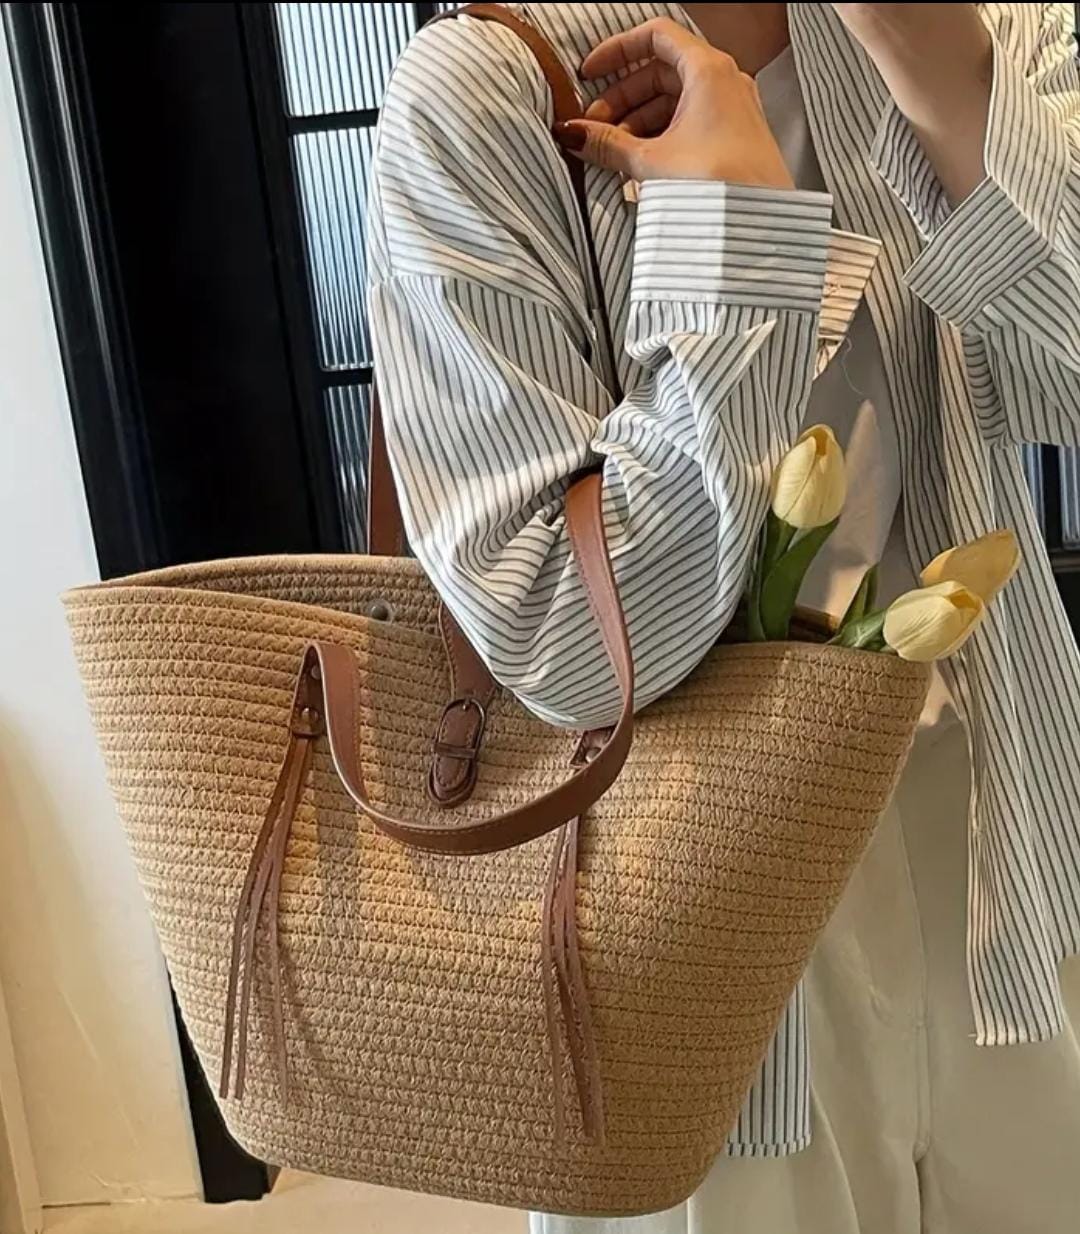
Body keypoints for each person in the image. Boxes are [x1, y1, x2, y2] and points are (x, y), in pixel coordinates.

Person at [367, 4, 1080, 1230]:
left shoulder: (999, 18)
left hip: (1006, 830)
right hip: (687, 904)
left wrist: (945, 70)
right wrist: (736, 237)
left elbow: (1061, 382)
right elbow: (573, 648)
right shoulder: (486, 89)